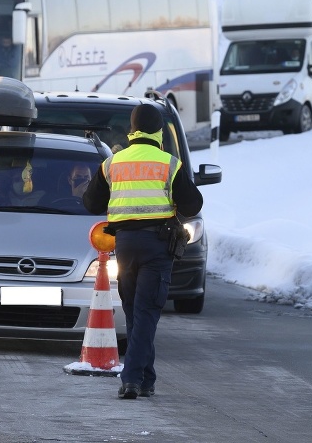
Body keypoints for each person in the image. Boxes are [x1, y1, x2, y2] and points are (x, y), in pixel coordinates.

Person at [83, 103, 203, 400]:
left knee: (136, 310)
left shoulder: (112, 163)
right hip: (157, 246)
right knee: (147, 311)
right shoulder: (168, 163)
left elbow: (90, 202)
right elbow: (193, 205)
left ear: (132, 132)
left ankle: (146, 379)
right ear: (159, 132)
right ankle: (132, 379)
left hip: (124, 246)